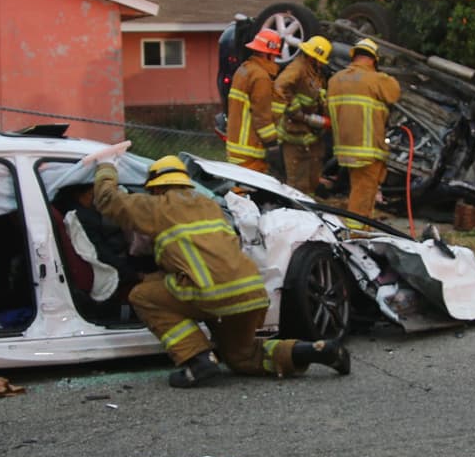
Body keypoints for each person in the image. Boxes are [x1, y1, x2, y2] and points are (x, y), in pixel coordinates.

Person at [91, 153, 350, 387]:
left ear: (156, 187)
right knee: (244, 356)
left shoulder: (157, 206)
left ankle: (196, 358)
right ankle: (318, 351)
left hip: (211, 294)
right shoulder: (210, 205)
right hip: (250, 294)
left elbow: (108, 199)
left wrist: (106, 166)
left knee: (142, 296)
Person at [325, 38, 401, 221]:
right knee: (362, 199)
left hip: (345, 149)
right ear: (374, 59)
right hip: (367, 151)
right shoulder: (376, 79)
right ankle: (356, 235)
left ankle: (360, 229)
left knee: (359, 192)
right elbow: (395, 93)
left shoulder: (335, 80)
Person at [273, 35, 333, 196]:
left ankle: (309, 213)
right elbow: (279, 86)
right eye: (320, 59)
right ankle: (296, 215)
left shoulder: (315, 72)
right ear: (313, 56)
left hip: (311, 137)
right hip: (295, 135)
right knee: (297, 186)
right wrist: (297, 111)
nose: (322, 63)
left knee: (311, 182)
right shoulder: (298, 67)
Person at [225, 29, 283, 175]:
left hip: (236, 146)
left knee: (238, 191)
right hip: (250, 149)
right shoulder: (261, 77)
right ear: (268, 54)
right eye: (275, 56)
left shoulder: (244, 70)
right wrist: (272, 144)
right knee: (247, 193)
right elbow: (261, 115)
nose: (275, 60)